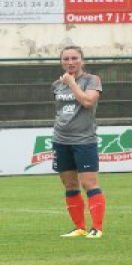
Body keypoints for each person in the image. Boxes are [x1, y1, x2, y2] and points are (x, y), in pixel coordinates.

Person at [52, 45, 105, 239]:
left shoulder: (92, 80)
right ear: (61, 62)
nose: (70, 62)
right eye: (65, 59)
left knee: (89, 183)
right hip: (61, 140)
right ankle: (79, 227)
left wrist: (72, 83)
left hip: (84, 140)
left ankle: (97, 228)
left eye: (74, 58)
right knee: (70, 184)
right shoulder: (56, 85)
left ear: (82, 60)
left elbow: (88, 102)